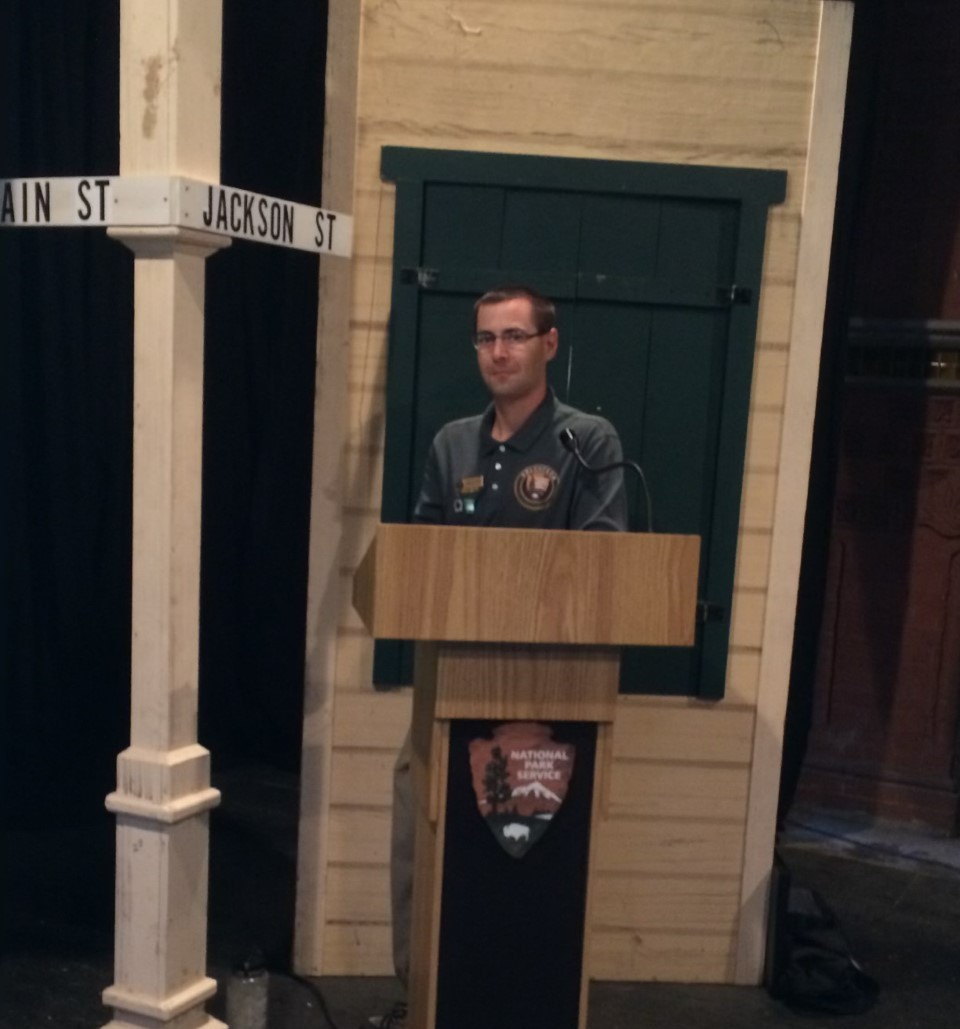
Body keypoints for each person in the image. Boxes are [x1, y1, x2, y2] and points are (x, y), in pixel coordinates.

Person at [368, 285, 627, 1029]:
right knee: (417, 825)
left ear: (549, 343)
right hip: (450, 686)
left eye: (515, 335)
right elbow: (418, 559)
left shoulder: (590, 442)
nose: (499, 352)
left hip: (554, 699)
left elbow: (604, 572)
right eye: (486, 339)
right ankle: (423, 994)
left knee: (532, 876)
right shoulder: (453, 443)